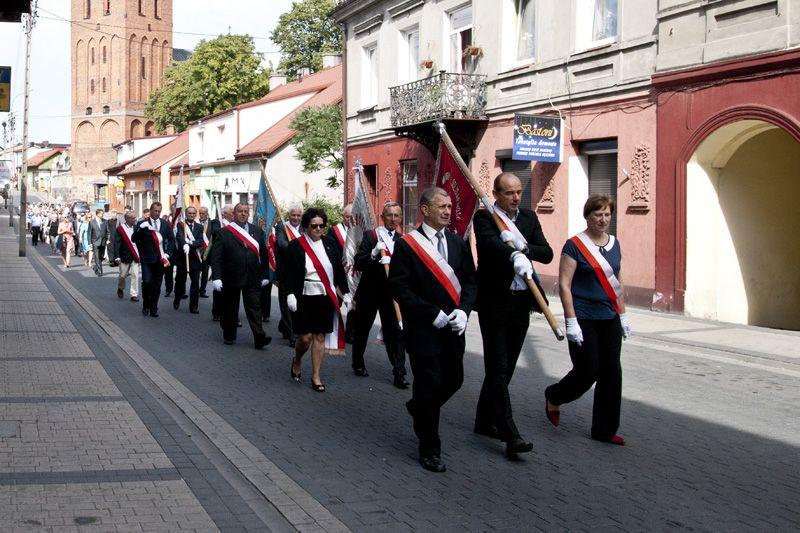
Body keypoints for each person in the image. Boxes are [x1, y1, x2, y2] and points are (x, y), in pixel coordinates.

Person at [388, 187, 477, 473]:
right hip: (424, 329)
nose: (448, 211)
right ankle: (430, 448)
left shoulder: (458, 242)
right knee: (428, 382)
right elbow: (399, 287)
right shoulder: (407, 245)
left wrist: (464, 311)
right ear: (424, 209)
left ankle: (419, 407)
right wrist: (431, 313)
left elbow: (471, 282)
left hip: (453, 328)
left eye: (450, 206)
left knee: (454, 380)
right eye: (442, 206)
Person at [473, 172, 554, 458]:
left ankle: (483, 421)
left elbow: (547, 253)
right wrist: (509, 251)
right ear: (496, 194)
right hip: (494, 301)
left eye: (519, 192)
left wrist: (524, 248)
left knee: (504, 368)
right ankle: (511, 435)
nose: (515, 197)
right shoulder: (485, 218)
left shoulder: (529, 218)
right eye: (509, 193)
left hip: (522, 302)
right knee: (497, 366)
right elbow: (488, 246)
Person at [545, 193, 630, 446]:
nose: (603, 219)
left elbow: (618, 283)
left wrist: (623, 315)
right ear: (588, 216)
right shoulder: (574, 245)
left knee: (612, 373)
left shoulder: (615, 244)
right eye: (598, 214)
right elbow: (564, 284)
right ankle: (554, 395)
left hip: (609, 316)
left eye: (607, 214)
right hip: (583, 317)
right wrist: (570, 321)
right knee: (588, 370)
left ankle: (604, 430)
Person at [286, 208, 349, 392]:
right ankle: (297, 360)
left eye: (322, 225)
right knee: (305, 338)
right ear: (306, 226)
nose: (319, 229)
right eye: (314, 226)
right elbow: (288, 272)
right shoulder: (296, 246)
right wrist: (290, 293)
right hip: (303, 296)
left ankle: (316, 376)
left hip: (324, 296)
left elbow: (338, 270)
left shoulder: (330, 244)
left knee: (319, 336)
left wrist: (345, 292)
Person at [351, 201, 408, 388]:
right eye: (389, 215)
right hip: (369, 292)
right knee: (362, 330)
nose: (393, 219)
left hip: (391, 295)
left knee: (396, 333)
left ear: (400, 218)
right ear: (383, 217)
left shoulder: (403, 240)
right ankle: (358, 363)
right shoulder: (371, 236)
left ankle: (399, 372)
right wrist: (374, 255)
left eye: (396, 215)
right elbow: (358, 263)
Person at [209, 203, 271, 349]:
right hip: (230, 277)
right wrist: (217, 277)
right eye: (239, 211)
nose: (243, 214)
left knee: (254, 308)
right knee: (230, 308)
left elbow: (264, 255)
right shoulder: (224, 232)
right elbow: (216, 257)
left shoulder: (256, 231)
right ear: (233, 214)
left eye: (245, 211)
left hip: (252, 277)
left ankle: (259, 337)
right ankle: (229, 335)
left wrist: (265, 275)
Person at [132, 202, 175, 317]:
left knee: (157, 284)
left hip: (160, 259)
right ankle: (146, 304)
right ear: (150, 211)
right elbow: (134, 239)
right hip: (147, 259)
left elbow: (171, 240)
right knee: (147, 282)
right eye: (155, 211)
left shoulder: (165, 224)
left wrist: (167, 254)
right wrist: (139, 229)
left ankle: (154, 307)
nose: (157, 213)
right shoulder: (143, 224)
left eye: (159, 211)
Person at [325, 204, 355, 343]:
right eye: (348, 217)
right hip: (339, 273)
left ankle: (350, 333)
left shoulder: (359, 231)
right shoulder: (333, 231)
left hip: (354, 275)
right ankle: (328, 329)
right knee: (336, 302)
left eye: (352, 217)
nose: (350, 219)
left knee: (353, 306)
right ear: (343, 217)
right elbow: (331, 252)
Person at [275, 204, 303, 346]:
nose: (296, 218)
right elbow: (281, 243)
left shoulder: (305, 228)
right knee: (286, 303)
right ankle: (293, 334)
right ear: (289, 215)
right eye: (293, 215)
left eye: (298, 215)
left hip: (301, 271)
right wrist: (299, 249)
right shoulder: (282, 226)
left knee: (297, 301)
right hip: (285, 271)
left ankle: (283, 326)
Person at [174, 206, 204, 313]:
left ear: (195, 214)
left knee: (195, 283)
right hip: (183, 258)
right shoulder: (181, 225)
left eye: (193, 213)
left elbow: (200, 241)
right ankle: (177, 299)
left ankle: (193, 306)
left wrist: (190, 243)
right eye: (189, 213)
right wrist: (184, 244)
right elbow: (180, 237)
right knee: (180, 281)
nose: (191, 215)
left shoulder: (199, 227)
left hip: (195, 259)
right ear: (186, 214)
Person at [209, 205, 232, 322]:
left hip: (232, 261)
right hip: (220, 260)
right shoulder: (217, 222)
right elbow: (214, 232)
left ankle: (229, 313)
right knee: (219, 288)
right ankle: (216, 312)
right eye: (232, 212)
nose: (234, 214)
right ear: (224, 214)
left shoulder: (236, 225)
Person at [112, 210, 141, 301]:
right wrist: (117, 256)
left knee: (135, 275)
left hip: (135, 256)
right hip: (124, 256)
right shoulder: (120, 229)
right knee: (123, 275)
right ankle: (120, 288)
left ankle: (134, 294)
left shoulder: (137, 228)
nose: (134, 219)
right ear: (127, 219)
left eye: (135, 218)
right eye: (132, 218)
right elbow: (117, 243)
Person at [88, 209, 109, 276]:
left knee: (102, 256)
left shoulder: (105, 221)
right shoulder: (92, 222)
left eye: (103, 213)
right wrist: (90, 242)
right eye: (101, 213)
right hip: (95, 242)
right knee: (97, 257)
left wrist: (108, 239)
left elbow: (108, 232)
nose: (102, 215)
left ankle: (95, 267)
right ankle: (100, 272)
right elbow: (89, 233)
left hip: (103, 241)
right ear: (97, 214)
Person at [198, 206, 212, 298]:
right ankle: (195, 289)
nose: (201, 215)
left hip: (207, 252)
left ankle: (202, 290)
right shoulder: (196, 223)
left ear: (207, 214)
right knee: (195, 272)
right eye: (200, 213)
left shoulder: (212, 224)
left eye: (203, 213)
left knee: (205, 272)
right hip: (197, 251)